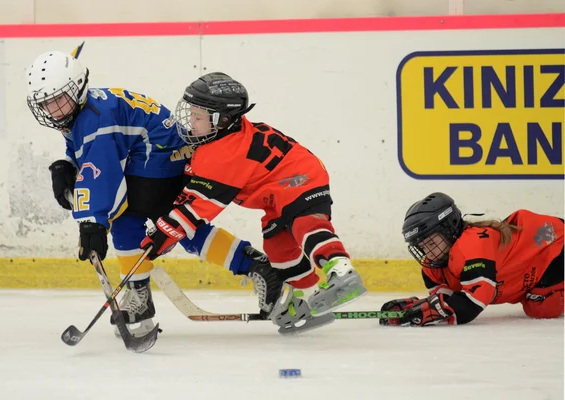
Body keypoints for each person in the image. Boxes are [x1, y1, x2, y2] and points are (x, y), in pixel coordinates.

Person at [25, 48, 284, 337]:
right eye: (47, 103)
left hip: (161, 158)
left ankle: (140, 298)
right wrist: (66, 165)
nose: (53, 109)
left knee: (133, 217)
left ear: (78, 87)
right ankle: (256, 266)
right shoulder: (81, 110)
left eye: (58, 99)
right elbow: (87, 152)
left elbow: (101, 173)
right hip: (156, 156)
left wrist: (92, 222)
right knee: (176, 224)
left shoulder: (95, 117)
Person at [140, 72, 367, 330]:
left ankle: (341, 269)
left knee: (305, 224)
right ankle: (307, 297)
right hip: (275, 193)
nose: (190, 121)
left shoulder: (224, 153)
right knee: (279, 250)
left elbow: (198, 209)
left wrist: (164, 234)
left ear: (222, 120)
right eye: (191, 112)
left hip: (300, 179)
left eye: (198, 116)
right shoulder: (221, 139)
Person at [380, 192, 564, 327]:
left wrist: (432, 311)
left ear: (449, 229)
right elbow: (446, 301)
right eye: (423, 246)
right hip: (540, 269)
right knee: (538, 305)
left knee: (541, 308)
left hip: (556, 248)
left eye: (432, 242)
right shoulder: (433, 268)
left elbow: (474, 301)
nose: (428, 252)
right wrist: (416, 307)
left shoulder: (471, 244)